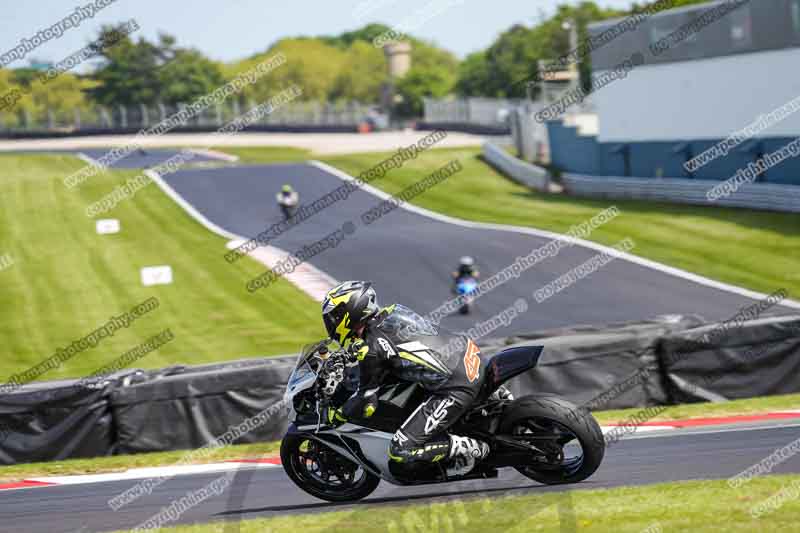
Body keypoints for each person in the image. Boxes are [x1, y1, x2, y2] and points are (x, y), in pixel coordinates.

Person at [321, 280, 512, 476]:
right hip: (470, 355)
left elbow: (367, 404)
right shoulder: (393, 313)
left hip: (457, 385)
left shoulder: (370, 349)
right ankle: (495, 398)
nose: (332, 323)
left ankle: (474, 447)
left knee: (400, 450)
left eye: (334, 317)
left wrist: (338, 415)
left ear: (349, 313)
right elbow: (392, 348)